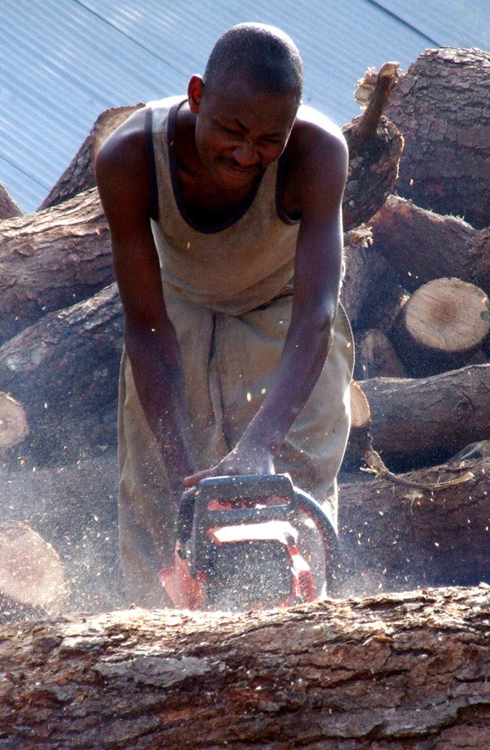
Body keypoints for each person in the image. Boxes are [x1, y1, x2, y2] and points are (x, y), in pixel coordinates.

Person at [95, 23, 353, 607]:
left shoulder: (317, 153)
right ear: (196, 95)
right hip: (179, 314)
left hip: (286, 316)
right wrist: (181, 474)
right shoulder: (130, 157)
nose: (245, 153)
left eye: (268, 140)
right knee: (159, 509)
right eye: (232, 131)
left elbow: (317, 311)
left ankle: (301, 655)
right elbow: (145, 325)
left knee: (294, 495)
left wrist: (261, 445)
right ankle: (150, 660)